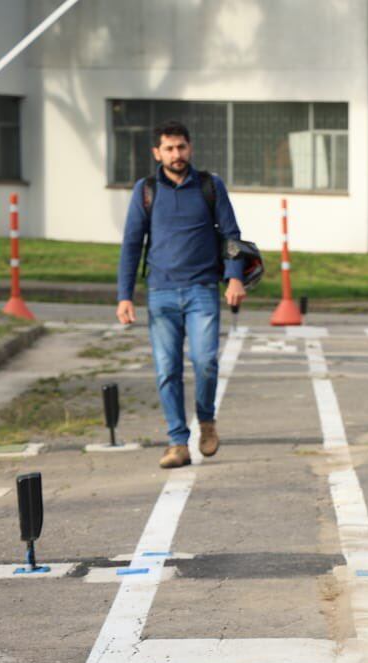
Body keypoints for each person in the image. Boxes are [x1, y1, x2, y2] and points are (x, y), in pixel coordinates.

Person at [116, 120, 246, 469]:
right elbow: (131, 244)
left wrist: (234, 278)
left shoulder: (210, 186)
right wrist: (124, 295)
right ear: (157, 153)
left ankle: (206, 421)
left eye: (182, 147)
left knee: (205, 362)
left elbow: (232, 234)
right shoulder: (146, 191)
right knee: (166, 370)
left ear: (190, 148)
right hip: (160, 293)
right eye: (169, 148)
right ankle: (177, 442)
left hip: (202, 289)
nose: (177, 154)